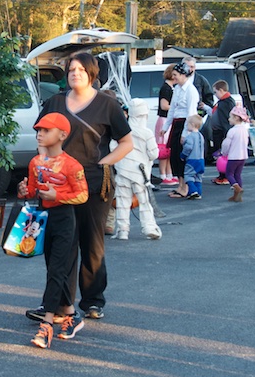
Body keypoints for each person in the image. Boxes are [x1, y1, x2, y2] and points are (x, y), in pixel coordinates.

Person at [26, 52, 133, 321]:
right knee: (59, 247)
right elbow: (41, 135)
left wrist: (104, 163)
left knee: (91, 242)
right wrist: (42, 165)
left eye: (81, 70)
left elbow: (126, 142)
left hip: (94, 183)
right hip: (55, 184)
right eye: (71, 69)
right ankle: (59, 304)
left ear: (92, 74)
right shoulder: (55, 102)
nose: (75, 73)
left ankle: (93, 300)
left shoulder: (107, 104)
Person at [17, 113, 89, 348]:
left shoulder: (72, 165)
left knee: (56, 270)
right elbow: (31, 189)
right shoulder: (35, 162)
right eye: (38, 129)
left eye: (46, 130)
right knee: (54, 270)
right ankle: (71, 314)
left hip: (65, 219)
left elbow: (83, 195)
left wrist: (58, 195)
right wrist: (24, 190)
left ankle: (46, 325)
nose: (39, 133)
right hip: (43, 218)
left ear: (62, 135)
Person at [111, 100, 162, 240]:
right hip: (140, 174)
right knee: (144, 201)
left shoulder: (122, 131)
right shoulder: (146, 132)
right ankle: (149, 227)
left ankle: (122, 230)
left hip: (122, 171)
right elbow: (154, 154)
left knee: (122, 202)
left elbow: (112, 148)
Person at [163, 61, 196, 199]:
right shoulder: (177, 89)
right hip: (176, 123)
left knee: (182, 157)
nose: (174, 77)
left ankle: (186, 187)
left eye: (176, 75)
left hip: (184, 124)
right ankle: (180, 185)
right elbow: (172, 109)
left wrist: (185, 133)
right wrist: (165, 127)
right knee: (175, 156)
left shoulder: (191, 90)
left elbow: (191, 112)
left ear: (183, 75)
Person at [221, 106, 251, 202]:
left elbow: (226, 144)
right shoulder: (244, 130)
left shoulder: (232, 131)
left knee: (229, 174)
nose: (229, 119)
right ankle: (237, 195)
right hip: (243, 156)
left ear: (236, 118)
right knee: (238, 174)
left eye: (230, 117)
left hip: (234, 156)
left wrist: (224, 153)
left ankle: (237, 188)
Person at [209, 80, 236, 185]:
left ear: (221, 90)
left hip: (222, 133)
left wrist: (227, 135)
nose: (215, 95)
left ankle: (225, 175)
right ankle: (221, 175)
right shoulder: (223, 102)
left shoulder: (226, 102)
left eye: (215, 92)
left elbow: (225, 120)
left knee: (223, 155)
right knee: (220, 155)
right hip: (218, 132)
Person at [155, 65, 177, 185]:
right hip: (164, 119)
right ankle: (163, 175)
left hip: (167, 119)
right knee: (163, 148)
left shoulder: (170, 88)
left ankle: (169, 174)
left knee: (168, 149)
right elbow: (164, 105)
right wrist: (176, 108)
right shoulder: (166, 89)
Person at [181, 114, 206, 200]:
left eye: (187, 124)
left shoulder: (190, 136)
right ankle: (198, 192)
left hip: (192, 159)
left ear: (192, 124)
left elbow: (188, 147)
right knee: (198, 177)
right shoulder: (201, 136)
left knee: (188, 176)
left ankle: (193, 190)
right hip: (201, 160)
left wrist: (183, 155)